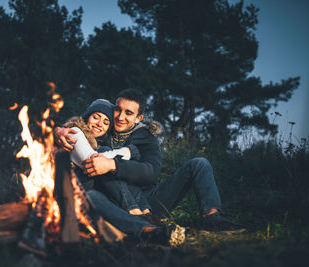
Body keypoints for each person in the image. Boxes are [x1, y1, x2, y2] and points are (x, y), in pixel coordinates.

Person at [55, 89, 246, 243]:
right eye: (118, 110)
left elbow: (151, 173)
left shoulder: (146, 138)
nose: (120, 117)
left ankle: (212, 216)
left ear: (138, 118)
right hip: (113, 201)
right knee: (91, 197)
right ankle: (147, 229)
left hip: (150, 200)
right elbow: (80, 131)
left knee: (199, 163)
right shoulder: (103, 130)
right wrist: (58, 129)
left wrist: (113, 165)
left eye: (128, 113)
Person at [63, 99, 152, 216]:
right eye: (96, 117)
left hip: (85, 189)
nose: (100, 124)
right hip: (66, 189)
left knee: (112, 164)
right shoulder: (74, 132)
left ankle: (146, 213)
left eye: (106, 122)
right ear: (87, 117)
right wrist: (130, 151)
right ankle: (135, 212)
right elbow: (93, 160)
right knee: (107, 161)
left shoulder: (99, 144)